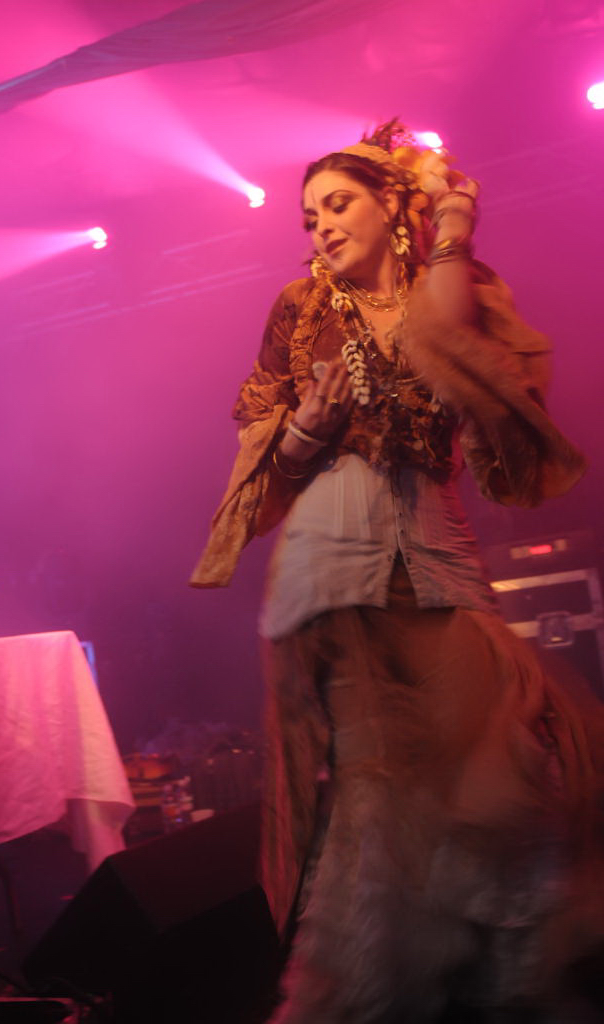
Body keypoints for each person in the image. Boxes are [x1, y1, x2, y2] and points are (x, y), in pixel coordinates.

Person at [191, 120, 604, 1022]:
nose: (321, 227)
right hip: (333, 573)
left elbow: (447, 351)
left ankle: (500, 983)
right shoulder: (298, 310)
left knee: (502, 775)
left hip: (439, 557)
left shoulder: (453, 286)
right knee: (381, 794)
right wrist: (305, 432)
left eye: (339, 204)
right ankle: (374, 994)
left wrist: (452, 222)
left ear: (391, 206)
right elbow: (260, 452)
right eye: (309, 217)